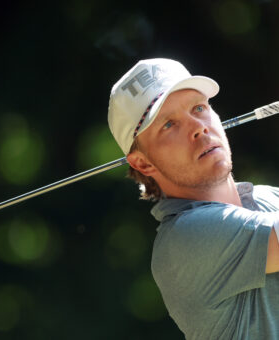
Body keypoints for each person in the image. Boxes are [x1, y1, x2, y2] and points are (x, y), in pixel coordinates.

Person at [107, 58, 279, 339]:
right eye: (169, 124)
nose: (198, 127)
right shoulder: (185, 239)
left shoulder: (267, 197)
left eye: (199, 108)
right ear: (143, 163)